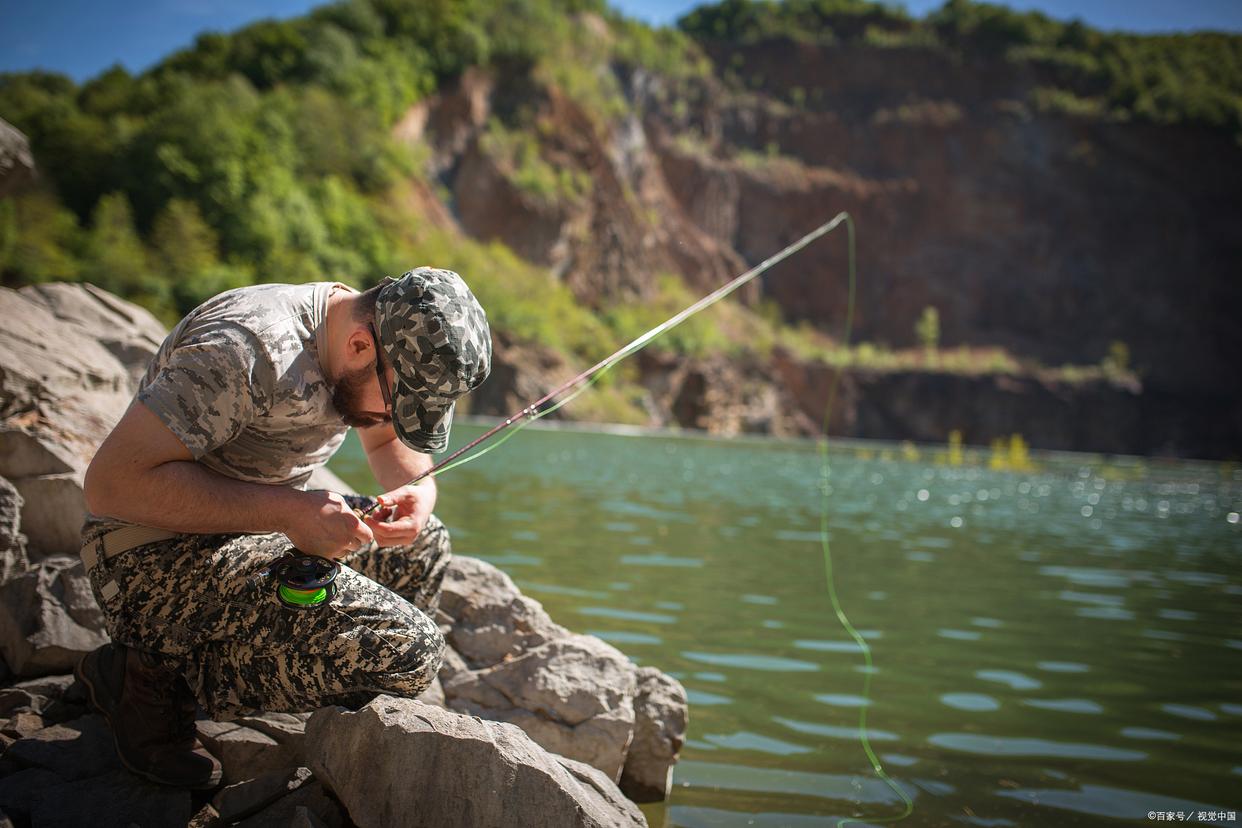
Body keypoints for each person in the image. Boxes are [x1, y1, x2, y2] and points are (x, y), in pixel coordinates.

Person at [74, 267, 491, 789]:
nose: (396, 418)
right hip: (149, 548)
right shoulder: (245, 349)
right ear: (362, 345)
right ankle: (151, 678)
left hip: (260, 527)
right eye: (400, 402)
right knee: (411, 653)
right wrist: (290, 514)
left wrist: (418, 492)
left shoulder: (363, 341)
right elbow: (112, 484)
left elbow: (387, 444)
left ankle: (313, 687)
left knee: (422, 545)